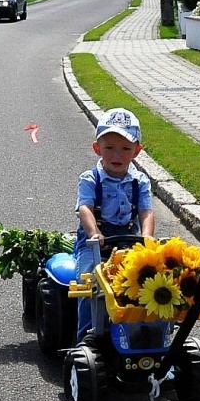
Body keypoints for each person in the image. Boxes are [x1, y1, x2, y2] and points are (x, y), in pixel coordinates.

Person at [73, 106, 156, 339]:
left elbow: (146, 212)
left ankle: (142, 333)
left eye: (125, 149)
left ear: (136, 151)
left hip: (129, 239)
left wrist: (147, 236)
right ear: (97, 148)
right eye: (109, 148)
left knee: (144, 279)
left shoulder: (140, 181)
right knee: (90, 280)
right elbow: (85, 209)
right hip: (95, 241)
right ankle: (86, 337)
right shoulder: (90, 179)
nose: (117, 155)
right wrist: (94, 233)